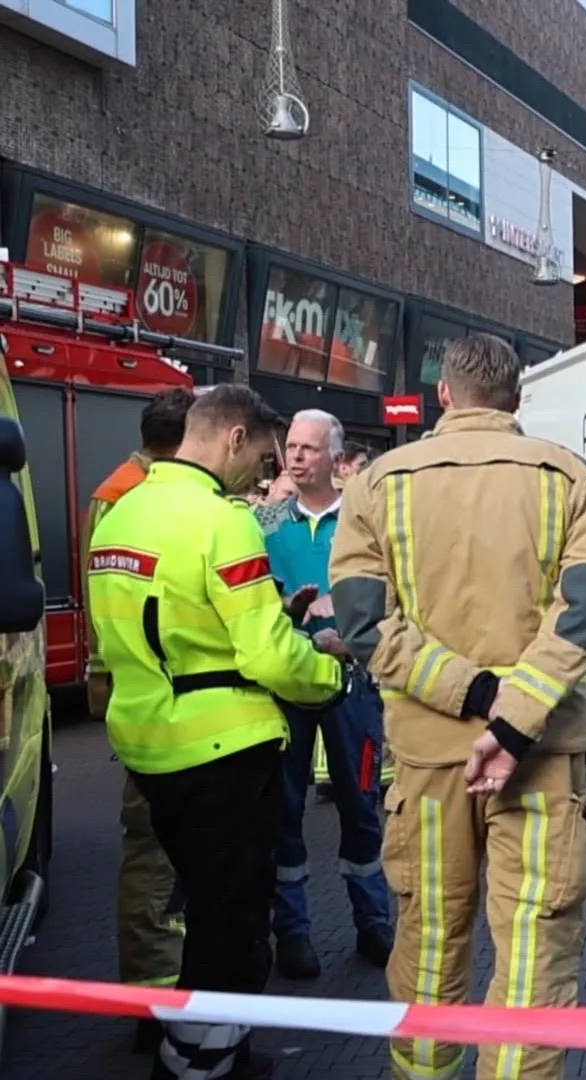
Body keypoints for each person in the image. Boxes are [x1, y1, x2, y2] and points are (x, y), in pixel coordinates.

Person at [331, 333, 586, 1080]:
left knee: (428, 944)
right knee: (533, 951)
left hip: (428, 763)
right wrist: (515, 713)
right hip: (544, 760)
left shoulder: (377, 485)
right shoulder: (569, 478)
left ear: (444, 396)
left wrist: (473, 695)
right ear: (517, 399)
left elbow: (365, 625)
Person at [88, 384, 347, 1080]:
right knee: (231, 931)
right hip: (224, 754)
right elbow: (264, 656)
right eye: (261, 455)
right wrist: (328, 673)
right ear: (232, 438)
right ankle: (198, 1065)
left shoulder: (119, 512)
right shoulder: (222, 521)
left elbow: (160, 629)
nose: (263, 475)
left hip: (149, 746)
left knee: (193, 909)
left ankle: (208, 1052)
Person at [79, 387, 194, 1052]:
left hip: (132, 687)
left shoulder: (112, 490)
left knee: (151, 852)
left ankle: (154, 993)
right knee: (159, 857)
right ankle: (160, 998)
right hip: (168, 691)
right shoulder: (154, 498)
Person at [261, 409, 393, 979]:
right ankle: (292, 934)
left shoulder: (365, 523)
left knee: (361, 808)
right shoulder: (263, 525)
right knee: (283, 812)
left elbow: (393, 591)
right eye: (291, 446)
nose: (295, 457)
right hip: (285, 684)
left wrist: (349, 617)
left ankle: (374, 923)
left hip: (352, 686)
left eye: (309, 448)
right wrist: (287, 612)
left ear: (336, 460)